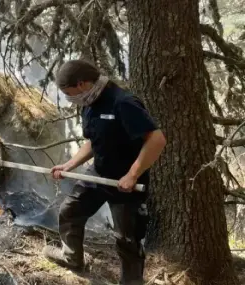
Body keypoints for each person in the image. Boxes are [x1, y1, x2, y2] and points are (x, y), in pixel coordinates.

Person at [42, 59, 166, 285]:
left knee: (127, 240)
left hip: (126, 183)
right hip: (98, 174)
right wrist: (69, 165)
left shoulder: (123, 102)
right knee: (70, 211)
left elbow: (156, 139)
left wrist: (133, 174)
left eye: (69, 92)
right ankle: (72, 259)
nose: (69, 98)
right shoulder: (89, 103)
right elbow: (94, 141)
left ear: (81, 84)